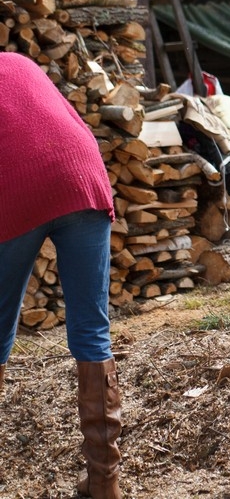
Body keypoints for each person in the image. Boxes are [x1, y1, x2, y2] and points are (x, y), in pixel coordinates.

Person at [0, 53, 123, 497]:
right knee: (93, 331)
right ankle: (104, 482)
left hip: (17, 189)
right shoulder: (21, 62)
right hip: (81, 175)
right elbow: (68, 120)